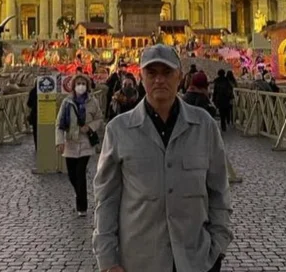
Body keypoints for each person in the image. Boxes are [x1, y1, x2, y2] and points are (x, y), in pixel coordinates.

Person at [93, 45, 232, 272]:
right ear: (141, 77)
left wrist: (218, 246)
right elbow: (106, 199)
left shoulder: (204, 125)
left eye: (167, 73)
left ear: (180, 76)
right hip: (139, 260)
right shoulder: (118, 130)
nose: (159, 80)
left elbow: (219, 191)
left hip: (196, 259)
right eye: (152, 73)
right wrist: (107, 258)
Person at [55, 73, 103, 217]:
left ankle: (82, 206)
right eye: (78, 83)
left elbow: (99, 118)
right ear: (73, 86)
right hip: (71, 141)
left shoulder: (92, 101)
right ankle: (80, 194)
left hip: (85, 142)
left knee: (80, 172)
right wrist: (59, 141)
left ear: (87, 86)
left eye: (83, 83)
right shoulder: (67, 102)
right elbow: (59, 124)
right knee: (71, 174)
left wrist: (90, 127)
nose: (80, 86)